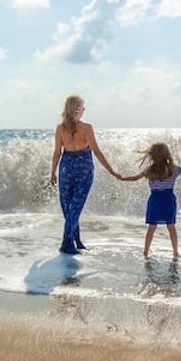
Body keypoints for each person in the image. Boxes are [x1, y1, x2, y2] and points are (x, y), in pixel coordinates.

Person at [50, 95, 119, 255]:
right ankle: (67, 243)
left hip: (66, 167)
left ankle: (76, 240)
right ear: (77, 109)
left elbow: (57, 153)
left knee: (70, 208)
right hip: (83, 169)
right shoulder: (86, 128)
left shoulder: (61, 128)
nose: (84, 110)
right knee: (73, 208)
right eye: (83, 107)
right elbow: (96, 151)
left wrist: (53, 171)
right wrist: (111, 170)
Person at [118, 142, 181, 259]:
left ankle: (146, 252)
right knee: (171, 227)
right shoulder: (173, 169)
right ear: (167, 155)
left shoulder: (149, 170)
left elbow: (135, 178)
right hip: (168, 200)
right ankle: (175, 252)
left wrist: (121, 178)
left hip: (155, 200)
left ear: (152, 156)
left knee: (151, 227)